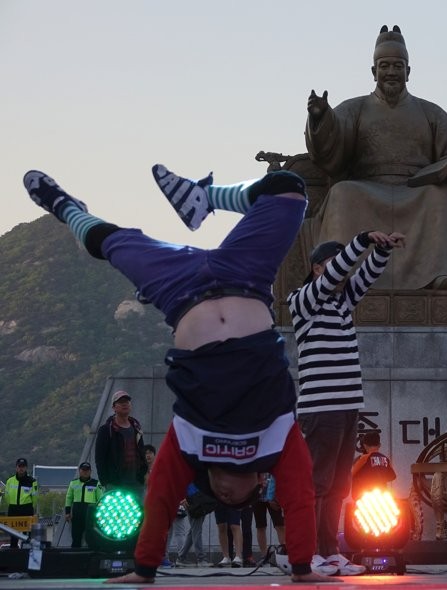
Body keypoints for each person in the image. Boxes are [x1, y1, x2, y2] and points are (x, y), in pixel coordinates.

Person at [21, 167, 333, 583]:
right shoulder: (278, 440)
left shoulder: (190, 443)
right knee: (289, 188)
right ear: (260, 483)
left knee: (108, 242)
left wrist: (145, 568)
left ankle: (65, 207)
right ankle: (206, 197)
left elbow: (162, 496)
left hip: (178, 289)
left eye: (222, 498)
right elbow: (300, 496)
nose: (228, 496)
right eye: (239, 499)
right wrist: (302, 567)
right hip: (246, 276)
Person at [305, 25, 447, 291]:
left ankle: (442, 273)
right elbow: (330, 145)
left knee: (444, 197)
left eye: (398, 66)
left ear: (408, 72)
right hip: (366, 186)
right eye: (384, 66)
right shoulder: (354, 108)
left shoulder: (430, 112)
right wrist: (320, 118)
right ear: (373, 71)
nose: (391, 72)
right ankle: (341, 274)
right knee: (342, 193)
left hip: (417, 189)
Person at [287, 222, 403, 576]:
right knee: (318, 484)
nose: (343, 270)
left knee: (338, 486)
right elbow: (340, 270)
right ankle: (309, 553)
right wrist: (363, 239)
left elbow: (365, 276)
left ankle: (330, 551)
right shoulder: (302, 300)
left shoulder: (341, 302)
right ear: (317, 268)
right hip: (320, 408)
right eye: (333, 263)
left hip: (348, 405)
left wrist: (382, 249)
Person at [94, 390, 146, 492]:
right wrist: (105, 482)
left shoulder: (136, 428)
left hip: (136, 483)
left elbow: (142, 454)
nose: (124, 404)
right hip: (115, 484)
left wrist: (144, 475)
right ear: (114, 407)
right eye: (121, 402)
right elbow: (100, 459)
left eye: (127, 401)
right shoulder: (106, 430)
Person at [64, 462, 101, 549]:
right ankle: (74, 555)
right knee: (76, 538)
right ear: (79, 471)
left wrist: (99, 514)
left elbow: (100, 499)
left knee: (92, 538)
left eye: (87, 470)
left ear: (90, 471)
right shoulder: (73, 483)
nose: (85, 472)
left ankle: (92, 555)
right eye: (83, 470)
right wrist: (67, 512)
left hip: (90, 515)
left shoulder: (96, 483)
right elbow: (69, 498)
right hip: (77, 515)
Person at [351, 432, 397, 499]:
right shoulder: (385, 459)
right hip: (382, 495)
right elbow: (393, 476)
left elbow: (352, 474)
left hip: (364, 496)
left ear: (365, 445)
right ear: (379, 445)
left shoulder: (364, 458)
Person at [4, 458, 37, 549]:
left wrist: (31, 507)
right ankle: (13, 551)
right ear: (16, 467)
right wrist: (12, 504)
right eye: (19, 466)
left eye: (23, 466)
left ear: (26, 468)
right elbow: (7, 496)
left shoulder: (32, 481)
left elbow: (35, 497)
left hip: (26, 509)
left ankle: (26, 551)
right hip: (13, 509)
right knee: (13, 534)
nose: (21, 468)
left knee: (27, 535)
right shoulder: (10, 481)